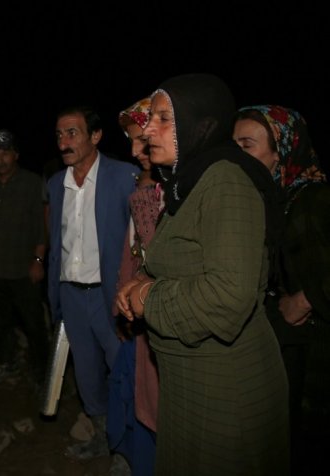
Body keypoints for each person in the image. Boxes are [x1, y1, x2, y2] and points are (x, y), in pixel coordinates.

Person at [116, 74, 289, 475]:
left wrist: (148, 298)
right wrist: (142, 279)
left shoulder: (226, 180)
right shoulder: (189, 183)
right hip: (190, 378)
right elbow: (183, 257)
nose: (149, 129)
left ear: (201, 124)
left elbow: (228, 296)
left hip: (225, 386)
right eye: (150, 118)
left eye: (164, 119)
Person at [233, 104, 329, 470]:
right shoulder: (274, 199)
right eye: (233, 145)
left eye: (247, 145)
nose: (237, 155)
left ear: (281, 152)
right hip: (286, 344)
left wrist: (305, 299)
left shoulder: (313, 199)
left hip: (315, 353)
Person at [47, 105, 138, 460]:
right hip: (71, 295)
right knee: (86, 375)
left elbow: (139, 244)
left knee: (123, 372)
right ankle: (102, 437)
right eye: (59, 135)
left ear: (95, 136)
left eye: (72, 133)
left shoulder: (124, 177)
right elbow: (57, 243)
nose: (63, 142)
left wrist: (130, 294)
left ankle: (127, 451)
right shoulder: (56, 184)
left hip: (110, 296)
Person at [107, 97, 161, 476]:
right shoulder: (144, 184)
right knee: (129, 388)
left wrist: (143, 197)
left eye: (143, 141)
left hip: (157, 315)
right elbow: (132, 251)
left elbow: (156, 256)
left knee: (154, 402)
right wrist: (120, 301)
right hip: (134, 312)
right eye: (131, 141)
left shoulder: (174, 191)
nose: (134, 151)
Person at [0, 129, 49, 385]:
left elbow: (41, 226)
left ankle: (42, 371)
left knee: (33, 323)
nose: (0, 159)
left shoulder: (32, 182)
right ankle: (7, 362)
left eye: (5, 153)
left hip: (23, 269)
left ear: (15, 155)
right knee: (0, 323)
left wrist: (38, 261)